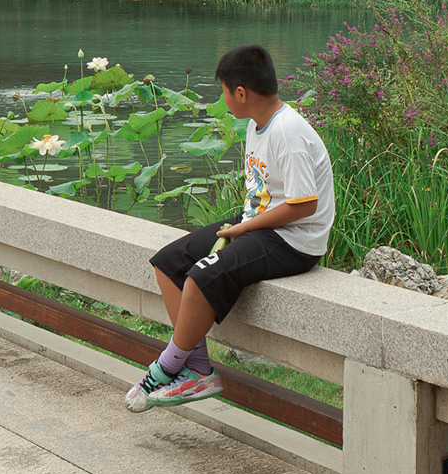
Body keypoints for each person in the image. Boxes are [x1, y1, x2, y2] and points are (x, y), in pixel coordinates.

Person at [125, 42, 335, 411]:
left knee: (200, 276)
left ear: (241, 92)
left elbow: (304, 204)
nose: (222, 101)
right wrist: (242, 225)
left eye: (223, 93)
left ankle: (167, 365)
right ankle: (199, 369)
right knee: (169, 263)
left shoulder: (289, 132)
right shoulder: (257, 124)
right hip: (257, 224)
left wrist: (241, 230)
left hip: (294, 241)